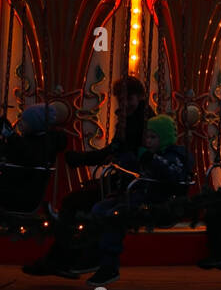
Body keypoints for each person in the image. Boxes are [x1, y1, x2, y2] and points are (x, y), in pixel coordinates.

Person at [23, 79, 150, 276]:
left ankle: (65, 259)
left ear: (140, 97)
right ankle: (64, 258)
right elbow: (113, 152)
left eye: (129, 98)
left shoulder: (137, 123)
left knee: (74, 203)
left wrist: (82, 159)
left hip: (129, 183)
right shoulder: (132, 119)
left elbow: (117, 152)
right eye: (121, 99)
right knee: (77, 202)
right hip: (123, 180)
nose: (125, 103)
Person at [61, 115, 191, 286]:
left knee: (114, 216)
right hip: (137, 197)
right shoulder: (149, 153)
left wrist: (150, 159)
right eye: (147, 137)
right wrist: (123, 154)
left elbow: (173, 174)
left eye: (153, 137)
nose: (149, 141)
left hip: (156, 202)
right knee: (99, 208)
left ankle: (110, 265)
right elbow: (133, 165)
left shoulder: (174, 156)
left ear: (165, 138)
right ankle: (93, 254)